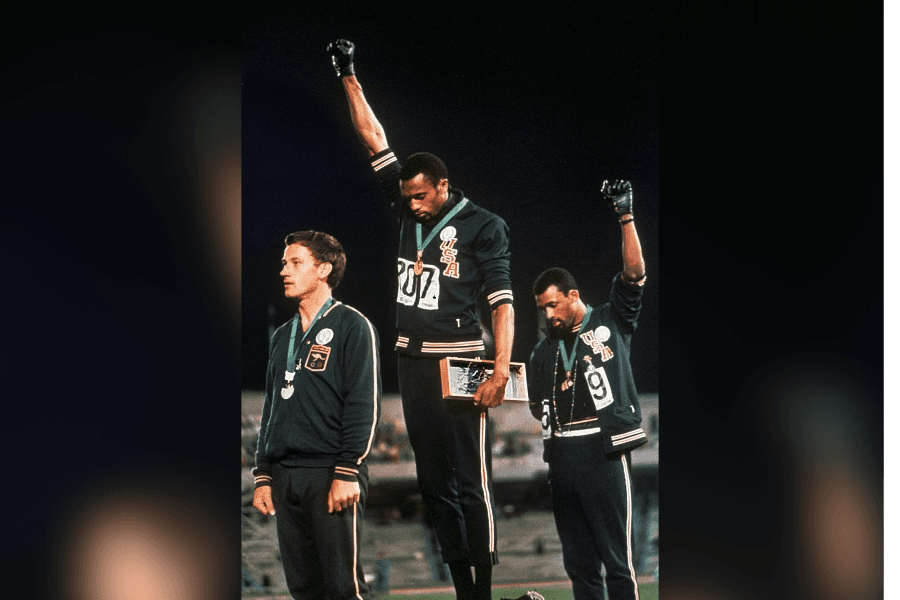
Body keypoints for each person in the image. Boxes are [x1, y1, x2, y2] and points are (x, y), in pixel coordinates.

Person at [327, 39, 515, 600]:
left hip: (460, 362)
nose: (409, 205)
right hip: (411, 362)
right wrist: (348, 75)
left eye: (418, 197)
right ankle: (462, 589)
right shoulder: (406, 203)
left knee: (470, 482)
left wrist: (500, 368)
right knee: (434, 485)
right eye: (405, 197)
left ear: (442, 187)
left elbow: (502, 302)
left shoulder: (485, 226)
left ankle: (483, 588)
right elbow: (374, 140)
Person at [528, 180, 648, 600]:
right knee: (579, 567)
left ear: (573, 296)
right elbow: (533, 406)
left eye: (553, 304)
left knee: (618, 563)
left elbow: (634, 275)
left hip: (603, 449)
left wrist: (625, 216)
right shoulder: (542, 352)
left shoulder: (610, 320)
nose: (548, 314)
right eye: (542, 307)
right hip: (560, 455)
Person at [252, 230, 381, 600]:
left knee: (344, 589)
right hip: (284, 475)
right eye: (283, 263)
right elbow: (271, 408)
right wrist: (263, 475)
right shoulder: (282, 337)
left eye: (295, 263)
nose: (284, 271)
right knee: (304, 590)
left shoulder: (352, 326)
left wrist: (347, 470)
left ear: (323, 269)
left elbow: (362, 405)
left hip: (330, 473)